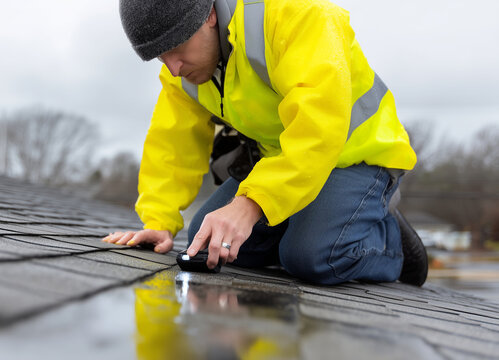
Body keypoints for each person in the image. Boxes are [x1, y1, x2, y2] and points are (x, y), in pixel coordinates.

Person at [103, 0, 428, 286]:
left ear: (208, 17)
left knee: (313, 257)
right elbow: (173, 143)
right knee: (208, 239)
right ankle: (309, 223)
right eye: (160, 57)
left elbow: (319, 131)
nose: (172, 68)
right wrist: (159, 221)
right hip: (285, 161)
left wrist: (251, 204)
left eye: (177, 48)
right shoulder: (182, 73)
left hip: (357, 156)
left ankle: (388, 239)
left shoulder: (299, 15)